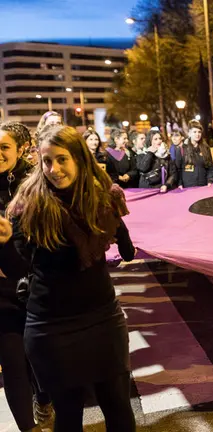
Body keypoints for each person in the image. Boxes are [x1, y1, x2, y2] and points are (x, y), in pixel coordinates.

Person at [2, 125, 136, 431]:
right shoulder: (28, 206)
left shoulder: (102, 197)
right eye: (47, 161)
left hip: (102, 318)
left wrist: (121, 232)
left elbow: (124, 246)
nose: (54, 169)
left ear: (78, 158)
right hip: (51, 327)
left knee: (117, 406)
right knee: (69, 414)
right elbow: (18, 269)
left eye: (62, 159)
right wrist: (7, 242)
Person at [0, 122, 53, 432]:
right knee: (13, 361)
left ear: (21, 149)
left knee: (40, 357)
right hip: (1, 289)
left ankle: (44, 398)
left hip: (34, 281)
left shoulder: (35, 182)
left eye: (4, 147)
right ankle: (27, 429)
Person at [176, 120, 213, 187]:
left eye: (199, 132)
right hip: (187, 188)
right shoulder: (181, 149)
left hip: (203, 186)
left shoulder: (206, 148)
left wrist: (210, 180)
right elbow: (178, 169)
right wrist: (180, 183)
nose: (197, 134)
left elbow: (210, 168)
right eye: (194, 132)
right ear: (189, 133)